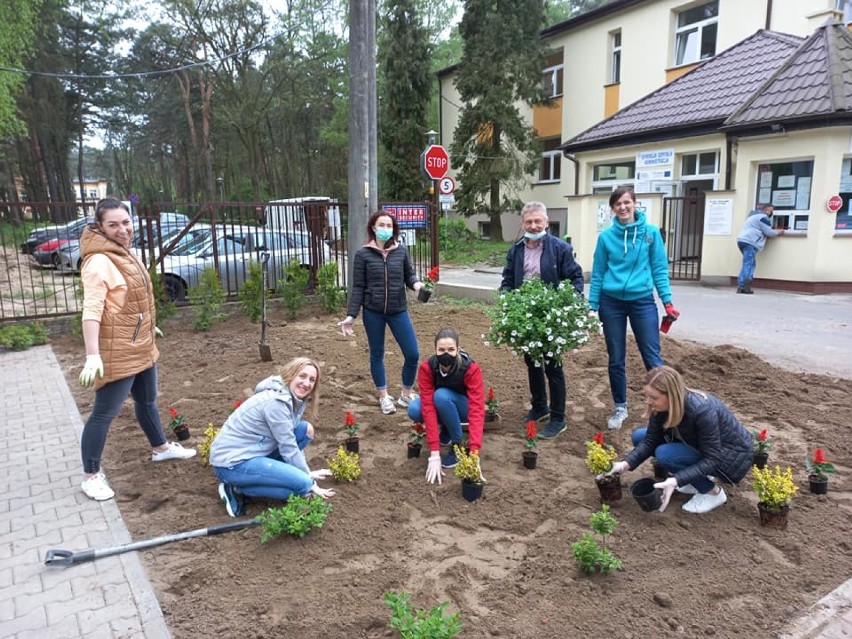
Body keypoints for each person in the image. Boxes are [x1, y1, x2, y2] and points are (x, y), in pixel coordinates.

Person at [78, 197, 196, 502]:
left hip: (141, 344)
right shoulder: (98, 261)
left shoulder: (124, 253)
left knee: (147, 401)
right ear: (100, 227)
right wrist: (93, 355)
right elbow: (92, 310)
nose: (122, 229)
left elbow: (131, 301)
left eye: (125, 222)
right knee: (104, 413)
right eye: (113, 225)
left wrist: (146, 327)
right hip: (118, 350)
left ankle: (160, 448)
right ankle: (91, 476)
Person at [603, 366, 752, 514]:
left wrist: (675, 480)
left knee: (665, 454)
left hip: (731, 456)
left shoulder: (701, 411)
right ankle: (693, 480)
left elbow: (713, 458)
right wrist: (625, 463)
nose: (648, 402)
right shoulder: (663, 407)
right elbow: (650, 441)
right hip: (700, 445)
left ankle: (712, 493)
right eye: (646, 396)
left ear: (671, 396)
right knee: (640, 436)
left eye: (654, 398)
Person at [588, 187, 679, 431]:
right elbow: (598, 273)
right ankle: (620, 407)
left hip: (642, 301)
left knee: (652, 357)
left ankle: (667, 407)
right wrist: (592, 306)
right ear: (612, 208)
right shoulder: (606, 238)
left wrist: (667, 301)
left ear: (635, 204)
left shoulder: (649, 234)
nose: (623, 207)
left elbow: (659, 268)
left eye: (627, 202)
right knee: (616, 358)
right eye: (618, 204)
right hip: (611, 302)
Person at [500, 201, 585, 439]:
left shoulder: (560, 248)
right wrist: (506, 300)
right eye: (529, 221)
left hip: (551, 315)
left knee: (553, 367)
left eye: (538, 221)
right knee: (533, 363)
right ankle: (540, 407)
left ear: (547, 222)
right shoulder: (516, 249)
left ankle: (558, 418)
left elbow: (576, 278)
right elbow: (508, 279)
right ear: (522, 224)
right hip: (526, 315)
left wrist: (567, 305)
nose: (534, 225)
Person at [210, 357, 336, 517]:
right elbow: (288, 447)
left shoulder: (294, 397)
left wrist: (304, 471)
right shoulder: (276, 402)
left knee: (305, 430)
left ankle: (273, 476)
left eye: (312, 380)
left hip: (254, 450)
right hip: (232, 463)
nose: (307, 383)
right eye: (302, 376)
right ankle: (236, 488)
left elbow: (290, 436)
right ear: (291, 374)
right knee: (302, 486)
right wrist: (309, 480)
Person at [338, 211, 424, 415]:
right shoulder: (363, 254)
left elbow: (408, 275)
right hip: (373, 312)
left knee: (413, 353)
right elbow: (358, 287)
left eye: (389, 225)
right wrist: (351, 315)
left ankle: (405, 394)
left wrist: (417, 284)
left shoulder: (401, 251)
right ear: (373, 228)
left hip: (398, 310)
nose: (386, 229)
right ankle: (384, 397)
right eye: (382, 225)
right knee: (377, 354)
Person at [407, 328, 485, 481]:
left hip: (463, 407)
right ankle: (448, 430)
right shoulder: (427, 368)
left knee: (441, 396)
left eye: (451, 349)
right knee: (415, 409)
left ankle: (457, 445)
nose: (446, 354)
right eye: (441, 350)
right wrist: (434, 453)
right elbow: (428, 408)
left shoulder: (470, 369)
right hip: (442, 404)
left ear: (458, 349)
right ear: (435, 350)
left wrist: (474, 453)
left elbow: (476, 409)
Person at [736, 204, 784, 294]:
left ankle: (742, 285)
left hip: (742, 240)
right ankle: (744, 286)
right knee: (748, 264)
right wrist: (779, 232)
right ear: (765, 210)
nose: (771, 213)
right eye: (770, 211)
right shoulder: (763, 217)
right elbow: (769, 232)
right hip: (750, 241)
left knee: (750, 263)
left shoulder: (752, 217)